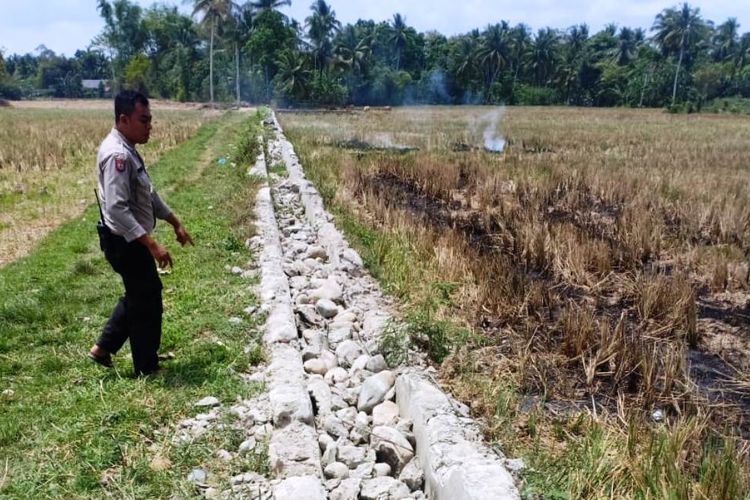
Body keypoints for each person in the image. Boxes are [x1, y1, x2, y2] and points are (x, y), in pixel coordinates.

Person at [88, 90, 193, 376]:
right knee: (146, 300)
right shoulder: (117, 156)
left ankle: (103, 348)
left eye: (150, 120)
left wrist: (175, 222)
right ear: (123, 119)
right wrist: (152, 244)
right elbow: (118, 211)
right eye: (143, 120)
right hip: (125, 242)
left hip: (130, 241)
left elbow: (149, 195)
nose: (149, 127)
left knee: (139, 294)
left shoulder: (128, 150)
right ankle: (146, 367)